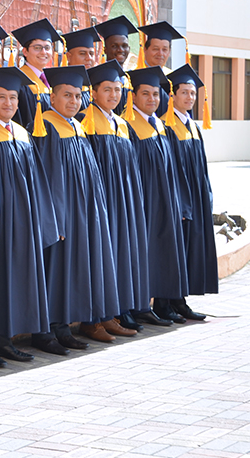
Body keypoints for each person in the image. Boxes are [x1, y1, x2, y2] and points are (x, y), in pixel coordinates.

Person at [0, 67, 59, 367]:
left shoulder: (20, 132)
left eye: (13, 98)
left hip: (21, 220)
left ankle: (5, 339)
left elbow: (36, 181)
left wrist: (41, 219)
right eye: (2, 97)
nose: (8, 103)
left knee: (11, 281)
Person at [28, 66, 117, 352]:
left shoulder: (77, 125)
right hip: (62, 217)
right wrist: (56, 220)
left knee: (71, 272)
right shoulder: (47, 126)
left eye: (78, 96)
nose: (73, 101)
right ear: (51, 97)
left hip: (82, 214)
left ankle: (64, 327)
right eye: (66, 95)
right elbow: (47, 179)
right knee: (55, 271)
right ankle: (46, 332)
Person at [79, 60, 150, 334]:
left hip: (123, 201)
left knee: (119, 255)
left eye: (118, 89)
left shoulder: (121, 123)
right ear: (94, 92)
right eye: (107, 89)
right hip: (104, 200)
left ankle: (112, 313)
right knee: (101, 256)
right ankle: (92, 319)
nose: (113, 95)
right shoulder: (88, 121)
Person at [123, 66, 189, 327]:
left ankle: (163, 303)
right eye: (146, 94)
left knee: (164, 249)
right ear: (134, 97)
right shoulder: (129, 126)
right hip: (145, 199)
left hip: (164, 198)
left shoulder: (160, 125)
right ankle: (140, 305)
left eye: (156, 94)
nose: (152, 99)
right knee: (145, 251)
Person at [156, 64, 218, 320]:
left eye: (193, 94)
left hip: (195, 196)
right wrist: (180, 202)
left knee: (189, 247)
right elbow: (171, 171)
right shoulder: (166, 126)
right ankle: (163, 303)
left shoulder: (192, 125)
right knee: (173, 248)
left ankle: (180, 299)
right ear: (172, 96)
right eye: (185, 93)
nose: (190, 98)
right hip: (179, 199)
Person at [12, 19, 61, 128]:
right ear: (25, 51)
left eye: (47, 48)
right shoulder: (20, 81)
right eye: (37, 48)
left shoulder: (51, 80)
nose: (43, 52)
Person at [137, 22, 185, 120]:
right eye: (155, 49)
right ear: (145, 49)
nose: (160, 54)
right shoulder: (135, 76)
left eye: (164, 49)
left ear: (169, 52)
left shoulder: (173, 78)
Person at [94, 16, 138, 114]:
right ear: (105, 50)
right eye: (114, 46)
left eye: (124, 46)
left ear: (129, 49)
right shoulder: (96, 78)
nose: (120, 50)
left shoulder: (132, 80)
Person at [60, 27, 101, 110]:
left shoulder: (95, 86)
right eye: (82, 53)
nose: (88, 58)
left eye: (91, 54)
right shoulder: (62, 86)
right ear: (68, 57)